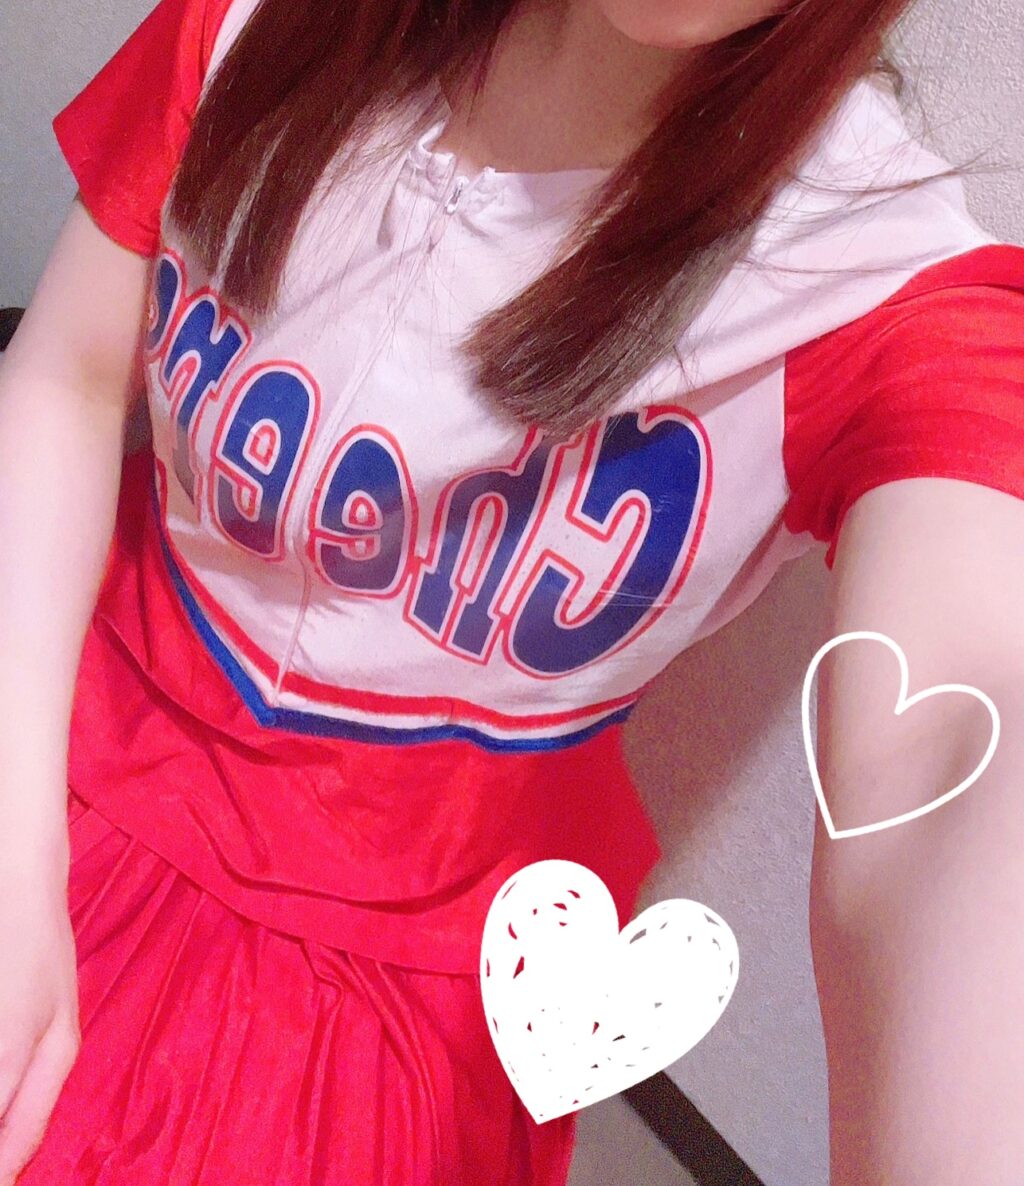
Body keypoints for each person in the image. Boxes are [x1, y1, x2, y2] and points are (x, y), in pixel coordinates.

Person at [1, 0, 1023, 1182]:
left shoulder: (885, 290)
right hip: (51, 720)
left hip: (408, 984)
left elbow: (955, 736)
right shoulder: (252, 26)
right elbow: (68, 378)